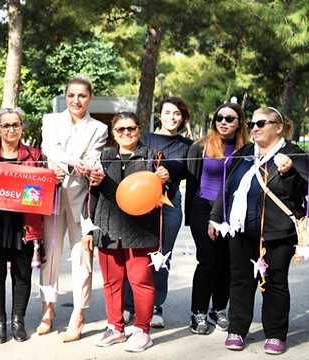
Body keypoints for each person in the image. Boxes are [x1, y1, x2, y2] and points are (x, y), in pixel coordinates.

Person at [209, 107, 307, 354]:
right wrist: (215, 217)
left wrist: (289, 173)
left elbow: (302, 191)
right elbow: (227, 186)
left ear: (278, 127)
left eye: (262, 123)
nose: (255, 128)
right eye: (253, 123)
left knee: (275, 282)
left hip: (278, 232)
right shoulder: (244, 153)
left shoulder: (293, 153)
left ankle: (275, 334)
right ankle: (237, 329)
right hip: (241, 229)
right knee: (240, 280)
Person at [85, 112, 172, 353]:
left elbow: (167, 195)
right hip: (108, 229)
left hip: (140, 230)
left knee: (140, 282)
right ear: (113, 133)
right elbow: (92, 195)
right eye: (120, 129)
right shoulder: (104, 157)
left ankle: (142, 330)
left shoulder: (152, 157)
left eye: (131, 129)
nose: (126, 133)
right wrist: (89, 229)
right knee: (112, 282)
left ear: (139, 130)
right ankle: (115, 327)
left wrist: (166, 180)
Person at [39, 75, 108, 342]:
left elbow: (93, 159)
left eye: (81, 96)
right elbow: (49, 148)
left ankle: (79, 313)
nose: (76, 101)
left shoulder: (99, 128)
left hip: (82, 198)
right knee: (50, 254)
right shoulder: (51, 120)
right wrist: (71, 163)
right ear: (65, 97)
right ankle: (48, 306)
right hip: (52, 194)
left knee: (82, 257)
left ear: (89, 98)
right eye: (71, 95)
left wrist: (75, 164)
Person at [0, 108, 44, 343]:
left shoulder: (35, 155)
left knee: (22, 275)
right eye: (6, 125)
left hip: (24, 223)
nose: (11, 129)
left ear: (22, 127)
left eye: (16, 125)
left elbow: (43, 190)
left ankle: (18, 321)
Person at [125, 96, 193, 328]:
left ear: (182, 118)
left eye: (177, 113)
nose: (172, 117)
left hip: (170, 202)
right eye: (167, 112)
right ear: (160, 115)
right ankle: (129, 304)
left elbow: (187, 174)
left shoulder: (187, 145)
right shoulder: (144, 139)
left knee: (162, 256)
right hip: (142, 202)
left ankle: (155, 305)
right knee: (135, 253)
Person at [186, 103, 249, 334]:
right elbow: (190, 177)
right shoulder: (201, 146)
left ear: (239, 122)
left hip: (234, 212)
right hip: (203, 209)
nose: (223, 122)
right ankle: (198, 312)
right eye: (219, 118)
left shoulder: (248, 150)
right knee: (209, 260)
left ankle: (219, 309)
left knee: (228, 263)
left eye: (230, 118)